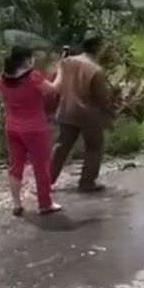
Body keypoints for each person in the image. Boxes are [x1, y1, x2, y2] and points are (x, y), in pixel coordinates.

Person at [0, 46, 63, 215]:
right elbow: (53, 89)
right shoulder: (33, 78)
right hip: (35, 129)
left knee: (15, 166)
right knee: (41, 166)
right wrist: (61, 70)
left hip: (12, 127)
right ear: (26, 60)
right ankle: (45, 203)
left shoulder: (1, 80)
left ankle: (17, 204)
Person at [50, 32, 112, 193]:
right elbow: (102, 97)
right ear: (98, 48)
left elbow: (55, 81)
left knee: (61, 147)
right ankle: (87, 182)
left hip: (66, 110)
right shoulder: (96, 70)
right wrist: (108, 115)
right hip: (88, 115)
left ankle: (46, 181)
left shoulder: (66, 62)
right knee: (93, 147)